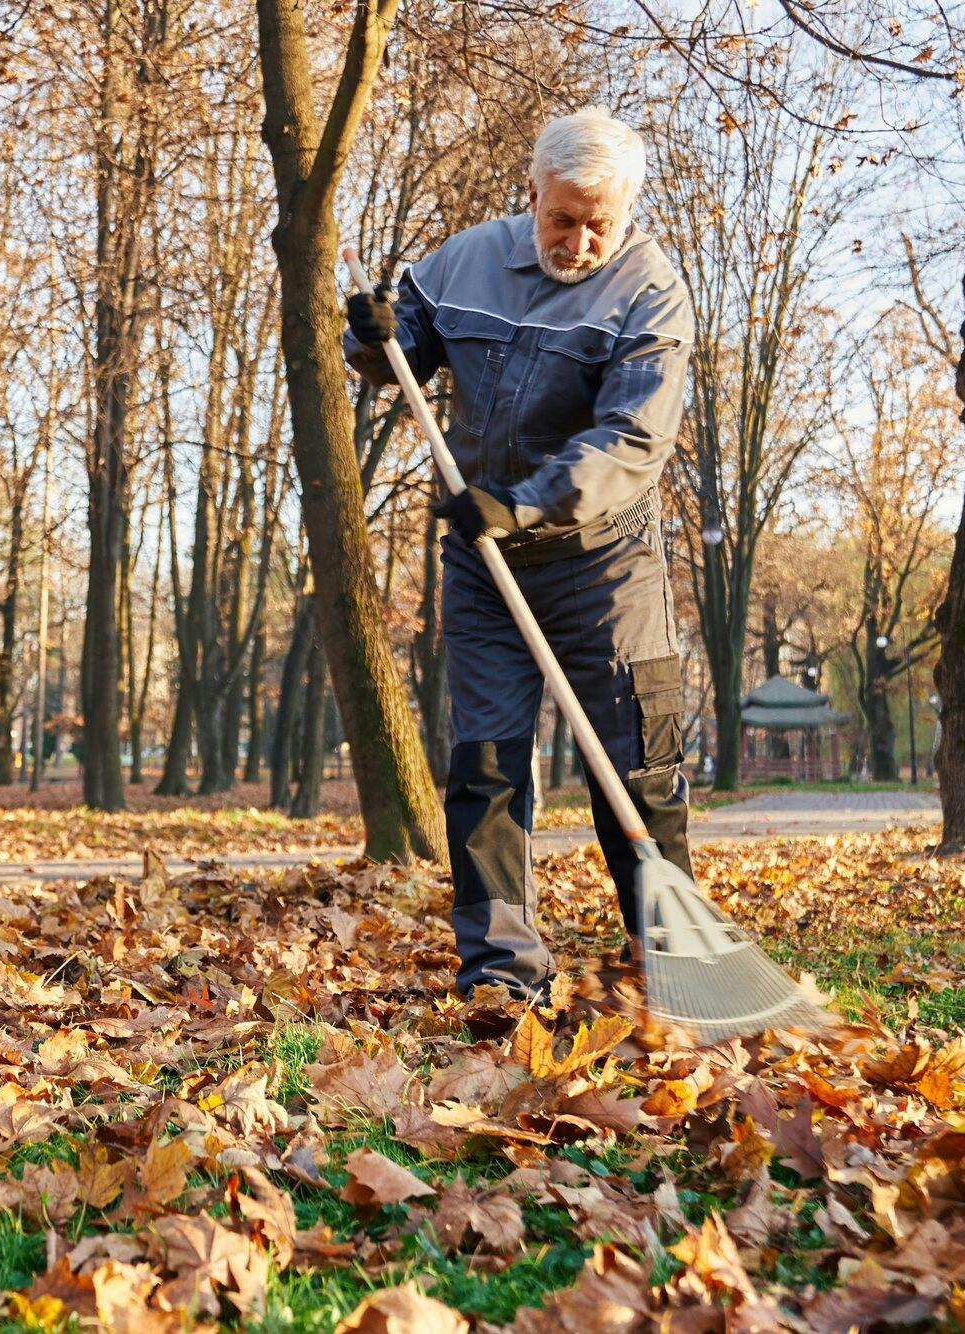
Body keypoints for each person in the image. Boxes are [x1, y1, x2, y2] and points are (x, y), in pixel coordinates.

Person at [343, 105, 695, 1002]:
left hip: (602, 566)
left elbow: (632, 439)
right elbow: (401, 354)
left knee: (637, 768)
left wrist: (525, 506)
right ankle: (502, 972)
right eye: (562, 217)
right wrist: (374, 335)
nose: (578, 240)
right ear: (532, 191)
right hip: (482, 569)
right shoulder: (463, 260)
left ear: (626, 214)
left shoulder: (650, 291)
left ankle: (676, 961)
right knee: (488, 766)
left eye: (598, 224)